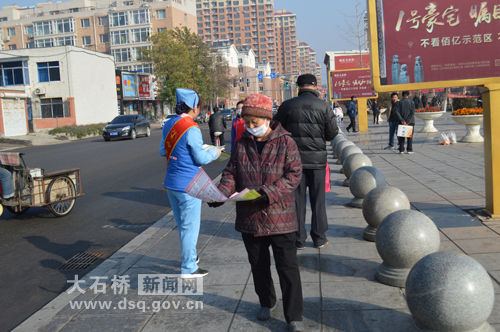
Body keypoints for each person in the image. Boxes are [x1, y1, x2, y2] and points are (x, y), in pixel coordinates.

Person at [209, 94, 304, 331]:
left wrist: (268, 192)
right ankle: (266, 301)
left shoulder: (286, 142)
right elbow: (231, 173)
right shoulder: (241, 143)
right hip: (250, 219)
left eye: (254, 122)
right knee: (258, 265)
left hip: (281, 217)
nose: (250, 127)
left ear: (267, 119)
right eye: (247, 122)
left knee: (287, 268)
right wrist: (220, 194)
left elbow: (294, 176)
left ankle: (294, 315)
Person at [159, 88, 221, 278]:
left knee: (183, 225)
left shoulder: (169, 124)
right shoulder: (191, 127)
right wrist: (215, 152)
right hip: (189, 184)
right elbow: (200, 157)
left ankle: (191, 257)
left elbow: (164, 151)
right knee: (190, 228)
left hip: (171, 183)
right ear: (194, 107)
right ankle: (189, 267)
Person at [275, 73, 338, 250]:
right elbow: (332, 134)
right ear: (316, 87)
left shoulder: (287, 106)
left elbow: (277, 130)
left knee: (296, 201)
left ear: (298, 87)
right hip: (317, 162)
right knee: (318, 201)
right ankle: (319, 238)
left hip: (293, 162)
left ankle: (298, 239)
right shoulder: (324, 106)